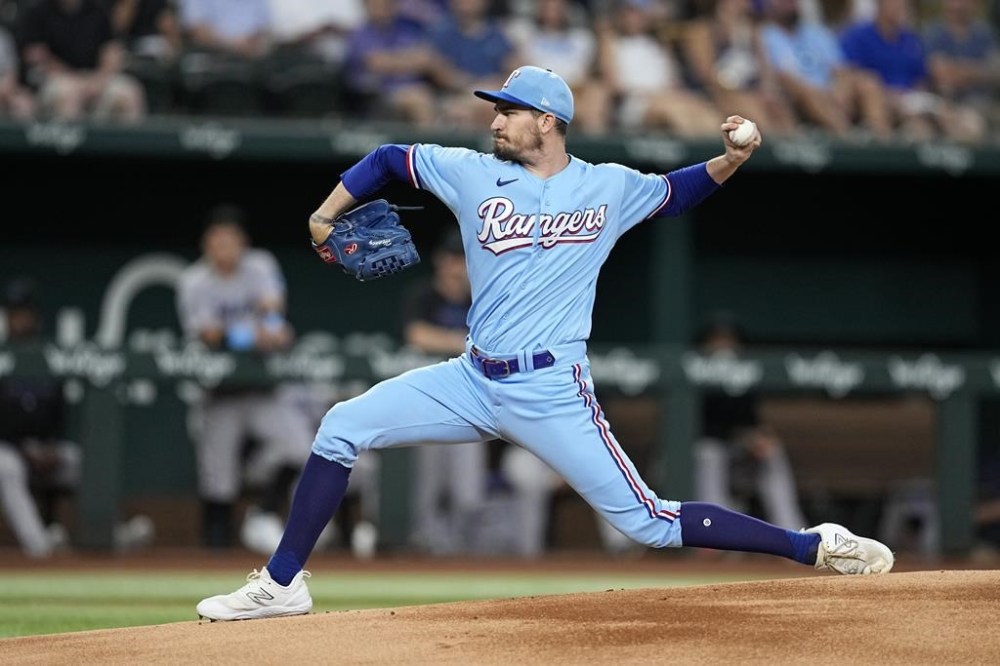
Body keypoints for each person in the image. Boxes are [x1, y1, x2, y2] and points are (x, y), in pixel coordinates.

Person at [196, 64, 895, 622]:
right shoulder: (471, 172)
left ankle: (812, 545)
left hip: (551, 387)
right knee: (341, 425)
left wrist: (731, 160)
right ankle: (282, 583)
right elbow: (387, 158)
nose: (494, 120)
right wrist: (325, 215)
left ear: (547, 122)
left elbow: (676, 193)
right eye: (495, 109)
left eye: (508, 111)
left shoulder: (606, 186)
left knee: (649, 524)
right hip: (471, 379)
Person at [175, 203, 315, 554]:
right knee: (218, 476)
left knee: (300, 447)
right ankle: (214, 549)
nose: (224, 246)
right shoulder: (194, 281)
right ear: (207, 243)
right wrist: (252, 335)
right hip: (219, 390)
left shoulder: (260, 265)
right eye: (217, 239)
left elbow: (273, 313)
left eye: (230, 239)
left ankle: (264, 512)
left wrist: (268, 328)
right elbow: (209, 334)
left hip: (262, 388)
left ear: (242, 241)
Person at [0, 277, 153, 557]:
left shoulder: (48, 355)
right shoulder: (3, 354)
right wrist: (24, 451)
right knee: (5, 467)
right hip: (9, 449)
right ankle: (41, 546)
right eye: (14, 314)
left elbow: (58, 416)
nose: (20, 320)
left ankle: (114, 533)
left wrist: (50, 447)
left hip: (45, 446)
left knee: (81, 461)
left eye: (25, 314)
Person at [692, 314, 808, 535]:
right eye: (716, 340)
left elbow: (749, 422)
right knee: (709, 453)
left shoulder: (745, 378)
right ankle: (716, 534)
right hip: (696, 462)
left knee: (772, 451)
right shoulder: (695, 376)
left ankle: (793, 533)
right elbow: (698, 428)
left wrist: (758, 437)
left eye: (728, 340)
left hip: (739, 459)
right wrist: (741, 437)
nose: (723, 346)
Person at [18, 0, 147, 122]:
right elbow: (37, 56)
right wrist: (78, 81)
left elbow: (111, 50)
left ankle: (120, 144)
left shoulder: (97, 10)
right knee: (67, 93)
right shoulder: (38, 11)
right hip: (57, 78)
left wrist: (99, 81)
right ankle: (72, 145)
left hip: (95, 77)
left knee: (127, 92)